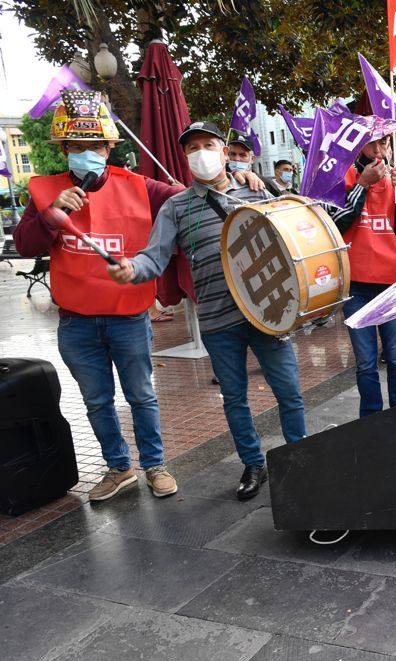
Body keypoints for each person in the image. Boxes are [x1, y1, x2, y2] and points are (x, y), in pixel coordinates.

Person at [107, 121, 305, 501]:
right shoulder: (176, 206)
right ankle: (252, 463)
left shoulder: (256, 190)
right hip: (216, 320)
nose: (201, 152)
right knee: (234, 398)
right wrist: (132, 269)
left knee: (290, 392)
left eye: (208, 144)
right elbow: (155, 256)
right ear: (185, 156)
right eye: (192, 147)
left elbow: (293, 231)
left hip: (268, 312)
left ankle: (299, 456)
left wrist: (259, 180)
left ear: (223, 148)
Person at [14, 89, 180, 502]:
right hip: (75, 322)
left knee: (142, 395)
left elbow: (188, 200)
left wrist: (234, 176)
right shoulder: (44, 191)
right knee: (96, 401)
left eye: (93, 145)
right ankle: (118, 467)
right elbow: (23, 245)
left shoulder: (142, 186)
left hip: (129, 317)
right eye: (76, 146)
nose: (85, 152)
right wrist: (53, 215)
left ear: (109, 147)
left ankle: (155, 465)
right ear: (65, 148)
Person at [330, 137, 396, 416]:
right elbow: (337, 222)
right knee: (366, 363)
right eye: (372, 145)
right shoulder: (345, 178)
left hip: (394, 284)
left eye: (384, 145)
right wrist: (363, 184)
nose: (379, 151)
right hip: (356, 284)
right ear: (359, 148)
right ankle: (370, 418)